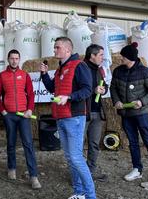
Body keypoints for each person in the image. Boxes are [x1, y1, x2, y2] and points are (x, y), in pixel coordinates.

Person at [40, 37, 95, 199]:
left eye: (57, 47)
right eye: (54, 47)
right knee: (70, 158)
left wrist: (69, 97)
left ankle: (91, 196)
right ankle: (79, 193)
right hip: (61, 117)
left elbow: (87, 90)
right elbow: (52, 88)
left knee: (76, 158)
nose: (54, 50)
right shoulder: (60, 69)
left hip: (74, 117)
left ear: (67, 50)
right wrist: (44, 74)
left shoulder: (79, 66)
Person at [110, 42, 148, 187]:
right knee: (132, 142)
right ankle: (137, 169)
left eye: (123, 57)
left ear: (130, 58)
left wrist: (142, 102)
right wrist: (117, 101)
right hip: (126, 114)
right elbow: (113, 88)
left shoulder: (145, 72)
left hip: (141, 113)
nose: (120, 59)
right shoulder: (118, 71)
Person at [0, 49, 42, 190]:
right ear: (8, 59)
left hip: (23, 116)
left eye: (16, 58)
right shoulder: (1, 76)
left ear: (19, 60)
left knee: (28, 144)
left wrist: (29, 109)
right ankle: (12, 167)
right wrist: (3, 111)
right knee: (11, 142)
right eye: (12, 58)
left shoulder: (24, 75)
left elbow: (31, 95)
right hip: (9, 115)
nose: (14, 61)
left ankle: (33, 176)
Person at [84, 44, 108, 182]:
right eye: (101, 55)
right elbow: (78, 89)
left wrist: (104, 89)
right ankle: (80, 175)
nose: (102, 58)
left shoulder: (99, 70)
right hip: (84, 113)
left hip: (97, 112)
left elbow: (104, 84)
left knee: (94, 144)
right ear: (92, 56)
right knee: (79, 145)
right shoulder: (81, 68)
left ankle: (91, 172)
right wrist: (93, 90)